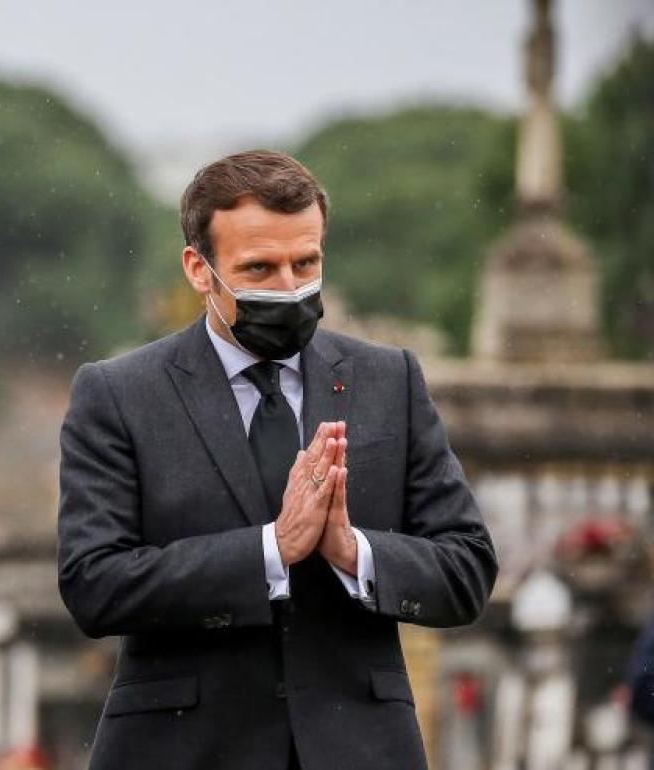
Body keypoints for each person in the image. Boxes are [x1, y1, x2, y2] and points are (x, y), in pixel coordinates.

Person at [56, 150, 498, 770]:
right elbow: (93, 583)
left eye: (306, 263)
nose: (290, 288)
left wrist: (353, 552)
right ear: (199, 269)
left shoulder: (387, 380)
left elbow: (468, 569)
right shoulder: (120, 394)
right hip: (182, 748)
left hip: (360, 749)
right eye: (260, 268)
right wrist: (269, 550)